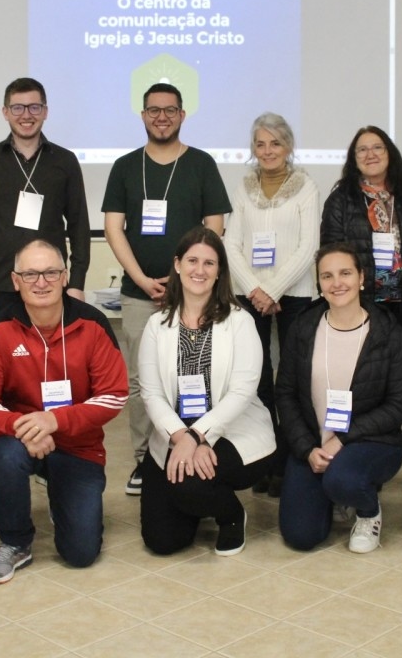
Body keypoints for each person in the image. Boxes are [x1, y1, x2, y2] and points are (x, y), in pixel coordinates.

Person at [0, 239, 128, 583]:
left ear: (65, 276)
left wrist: (54, 420)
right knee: (6, 456)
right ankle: (15, 541)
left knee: (81, 554)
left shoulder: (93, 324)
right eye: (30, 274)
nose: (41, 282)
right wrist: (25, 427)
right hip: (20, 439)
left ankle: (62, 498)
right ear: (15, 280)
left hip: (77, 445)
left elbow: (113, 395)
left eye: (50, 272)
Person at [103, 83, 231, 496]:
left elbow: (215, 228)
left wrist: (186, 281)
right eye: (154, 110)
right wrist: (141, 278)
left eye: (170, 110)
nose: (162, 117)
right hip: (140, 294)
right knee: (143, 381)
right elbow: (112, 228)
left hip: (193, 294)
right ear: (143, 115)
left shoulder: (201, 164)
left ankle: (197, 446)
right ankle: (145, 460)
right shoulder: (125, 166)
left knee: (196, 374)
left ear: (182, 115)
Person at [137, 227, 273, 556]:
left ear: (219, 272)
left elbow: (242, 391)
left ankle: (230, 515)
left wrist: (198, 436)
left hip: (233, 431)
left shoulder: (240, 322)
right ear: (178, 265)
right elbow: (151, 393)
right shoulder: (157, 325)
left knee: (188, 484)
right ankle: (197, 499)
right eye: (192, 260)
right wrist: (180, 435)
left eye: (209, 263)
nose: (200, 270)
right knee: (163, 541)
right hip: (174, 433)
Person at [320, 125, 402, 491]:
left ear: (390, 152)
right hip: (362, 311)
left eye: (377, 147)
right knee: (367, 390)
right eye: (362, 150)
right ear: (353, 159)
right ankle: (364, 462)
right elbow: (332, 254)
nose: (370, 154)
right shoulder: (340, 200)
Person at [275, 243, 402, 553]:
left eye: (346, 273)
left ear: (362, 277)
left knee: (343, 478)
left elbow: (399, 404)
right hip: (313, 444)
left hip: (372, 442)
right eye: (327, 276)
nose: (337, 283)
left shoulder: (388, 332)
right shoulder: (303, 328)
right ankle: (336, 493)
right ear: (319, 284)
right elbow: (285, 394)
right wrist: (307, 449)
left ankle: (367, 511)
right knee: (301, 536)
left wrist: (343, 439)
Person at [222, 112, 319, 497]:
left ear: (288, 146)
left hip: (294, 294)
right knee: (256, 380)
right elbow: (231, 244)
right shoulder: (243, 187)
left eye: (275, 143)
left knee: (292, 380)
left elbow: (309, 245)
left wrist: (273, 290)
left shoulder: (306, 186)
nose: (267, 151)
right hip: (250, 294)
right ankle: (265, 460)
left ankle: (291, 461)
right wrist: (255, 289)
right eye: (260, 144)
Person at [0, 77, 91, 325]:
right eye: (17, 108)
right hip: (1, 285)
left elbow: (79, 227)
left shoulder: (65, 161)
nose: (26, 115)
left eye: (34, 107)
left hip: (51, 285)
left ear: (45, 111)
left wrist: (76, 283)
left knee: (51, 360)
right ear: (5, 112)